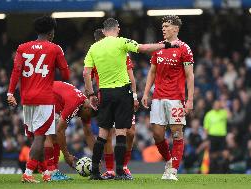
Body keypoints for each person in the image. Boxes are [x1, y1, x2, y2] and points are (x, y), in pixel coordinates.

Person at [83, 18, 180, 180]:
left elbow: (86, 73)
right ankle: (120, 171)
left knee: (102, 133)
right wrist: (166, 45)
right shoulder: (121, 42)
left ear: (104, 30)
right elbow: (144, 48)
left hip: (104, 92)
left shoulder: (93, 47)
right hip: (122, 92)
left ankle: (94, 172)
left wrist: (91, 94)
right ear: (117, 29)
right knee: (121, 132)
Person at [7, 16, 70, 183]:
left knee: (36, 136)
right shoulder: (55, 49)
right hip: (45, 97)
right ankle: (28, 172)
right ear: (51, 33)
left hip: (27, 98)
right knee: (41, 136)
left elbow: (16, 71)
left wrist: (10, 93)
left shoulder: (22, 47)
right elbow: (66, 75)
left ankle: (44, 172)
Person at [141, 15, 194, 180]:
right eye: (162, 26)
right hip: (157, 97)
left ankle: (173, 171)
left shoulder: (184, 48)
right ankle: (169, 161)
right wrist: (145, 92)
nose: (163, 29)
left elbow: (190, 76)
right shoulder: (159, 47)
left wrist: (190, 100)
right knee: (157, 135)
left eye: (166, 26)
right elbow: (152, 71)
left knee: (177, 134)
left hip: (176, 98)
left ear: (175, 29)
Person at [91, 28, 139, 179]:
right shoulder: (95, 53)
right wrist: (93, 94)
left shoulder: (121, 53)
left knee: (129, 132)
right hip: (105, 96)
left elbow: (131, 76)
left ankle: (123, 166)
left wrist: (135, 96)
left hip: (123, 94)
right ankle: (112, 169)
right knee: (107, 134)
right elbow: (90, 76)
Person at [42, 81, 97, 181]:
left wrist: (96, 159)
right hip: (46, 95)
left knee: (54, 136)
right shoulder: (74, 104)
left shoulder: (85, 107)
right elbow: (60, 131)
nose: (85, 119)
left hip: (52, 96)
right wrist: (67, 156)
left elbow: (88, 133)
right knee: (52, 135)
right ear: (87, 109)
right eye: (88, 116)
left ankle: (52, 171)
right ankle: (50, 171)